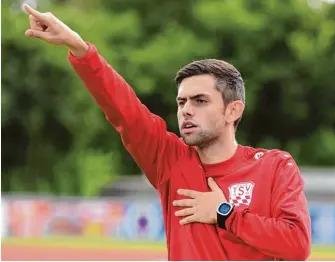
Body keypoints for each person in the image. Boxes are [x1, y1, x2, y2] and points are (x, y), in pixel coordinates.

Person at [22, 4, 312, 261]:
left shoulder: (275, 166)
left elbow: (297, 245)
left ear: (233, 111)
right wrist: (79, 48)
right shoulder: (169, 161)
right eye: (181, 102)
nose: (186, 110)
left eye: (200, 101)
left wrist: (225, 214)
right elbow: (125, 110)